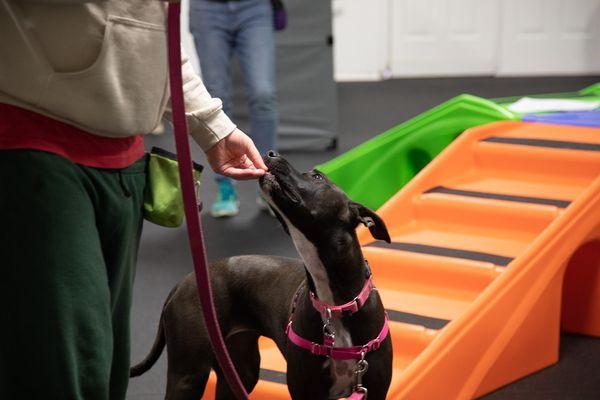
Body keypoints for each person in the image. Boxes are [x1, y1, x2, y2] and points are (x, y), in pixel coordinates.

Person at [0, 1, 266, 399]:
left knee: (106, 361)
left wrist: (212, 126)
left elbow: (156, 40)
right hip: (37, 148)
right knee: (64, 359)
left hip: (124, 161)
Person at [190, 0, 278, 217]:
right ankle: (225, 187)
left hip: (254, 7)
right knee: (216, 96)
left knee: (263, 93)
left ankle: (269, 183)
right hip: (206, 9)